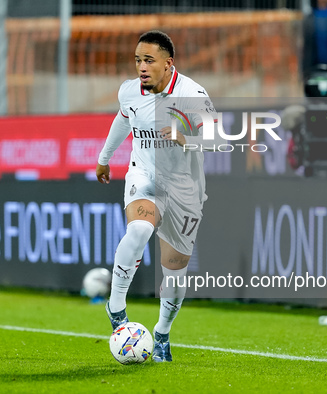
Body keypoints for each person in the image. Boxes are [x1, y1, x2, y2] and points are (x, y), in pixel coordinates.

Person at [95, 30, 219, 362]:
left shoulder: (193, 95)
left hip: (184, 188)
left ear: (168, 64)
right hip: (144, 175)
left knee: (174, 273)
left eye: (149, 60)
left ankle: (162, 332)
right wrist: (104, 159)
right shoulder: (129, 91)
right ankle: (116, 307)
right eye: (138, 60)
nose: (141, 67)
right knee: (138, 229)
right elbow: (123, 121)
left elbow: (217, 141)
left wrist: (184, 138)